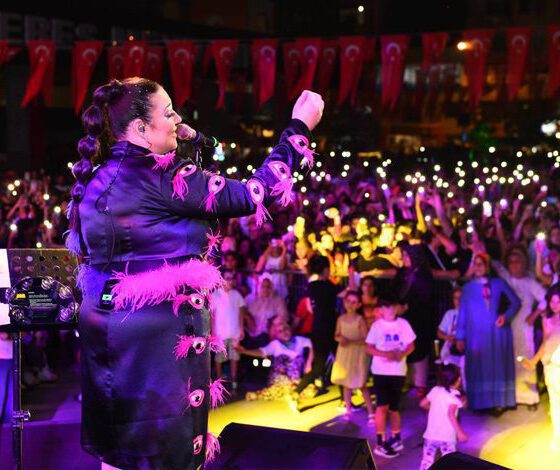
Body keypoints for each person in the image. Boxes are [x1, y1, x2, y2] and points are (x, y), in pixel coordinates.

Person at [68, 77, 324, 470]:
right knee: (165, 451)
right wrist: (298, 128)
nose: (178, 119)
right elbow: (255, 193)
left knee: (123, 450)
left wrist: (185, 146)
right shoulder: (162, 177)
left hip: (111, 334)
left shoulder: (99, 177)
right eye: (169, 113)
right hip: (158, 345)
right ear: (140, 128)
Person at [455, 253, 521, 414]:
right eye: (475, 264)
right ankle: (480, 403)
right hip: (475, 334)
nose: (478, 267)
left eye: (481, 264)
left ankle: (499, 402)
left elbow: (515, 302)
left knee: (496, 366)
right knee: (478, 367)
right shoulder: (468, 288)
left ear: (487, 266)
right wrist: (459, 336)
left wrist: (505, 317)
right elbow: (463, 312)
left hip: (496, 332)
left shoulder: (499, 283)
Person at [492, 247, 546, 408]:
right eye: (511, 261)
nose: (514, 264)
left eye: (517, 261)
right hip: (506, 325)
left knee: (524, 358)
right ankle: (510, 398)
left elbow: (546, 298)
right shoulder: (506, 279)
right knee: (507, 360)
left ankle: (529, 397)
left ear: (523, 263)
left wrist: (535, 314)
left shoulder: (529, 282)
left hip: (523, 326)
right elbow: (495, 265)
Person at [366, 294, 416, 459]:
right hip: (381, 371)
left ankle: (395, 437)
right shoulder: (377, 326)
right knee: (382, 406)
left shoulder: (403, 324)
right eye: (387, 307)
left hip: (398, 371)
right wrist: (386, 354)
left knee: (394, 407)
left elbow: (411, 345)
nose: (391, 310)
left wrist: (401, 354)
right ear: (380, 309)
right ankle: (380, 442)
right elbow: (369, 347)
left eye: (393, 306)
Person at [294, 254, 341, 397]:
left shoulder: (312, 286)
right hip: (330, 329)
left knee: (318, 367)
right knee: (341, 363)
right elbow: (346, 293)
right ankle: (344, 400)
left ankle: (296, 392)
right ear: (325, 269)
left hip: (317, 328)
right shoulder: (328, 286)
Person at [521, 283, 560, 451]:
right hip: (550, 365)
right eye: (552, 301)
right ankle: (558, 437)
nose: (554, 305)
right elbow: (545, 342)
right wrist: (533, 361)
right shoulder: (547, 319)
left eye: (558, 301)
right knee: (555, 403)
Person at [237, 322, 313, 401]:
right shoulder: (275, 345)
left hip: (296, 380)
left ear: (290, 329)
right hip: (280, 380)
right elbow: (262, 352)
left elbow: (312, 344)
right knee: (282, 391)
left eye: (286, 329)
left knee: (309, 391)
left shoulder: (299, 340)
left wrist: (309, 362)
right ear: (277, 335)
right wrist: (244, 351)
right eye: (280, 331)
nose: (284, 332)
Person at [331, 290, 375, 423]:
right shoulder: (341, 318)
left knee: (361, 383)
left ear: (359, 304)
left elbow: (366, 338)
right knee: (347, 383)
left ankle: (371, 413)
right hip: (345, 352)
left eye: (354, 302)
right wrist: (340, 339)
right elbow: (336, 335)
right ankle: (348, 410)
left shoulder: (360, 319)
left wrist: (350, 341)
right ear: (344, 302)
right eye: (348, 301)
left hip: (358, 353)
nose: (350, 305)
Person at [419, 365, 468, 470]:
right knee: (449, 463)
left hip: (430, 435)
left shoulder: (435, 390)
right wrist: (460, 433)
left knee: (427, 462)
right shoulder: (454, 396)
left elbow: (422, 404)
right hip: (447, 437)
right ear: (459, 379)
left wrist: (435, 409)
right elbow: (451, 414)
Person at [210, 270, 248, 390]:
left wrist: (241, 329)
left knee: (234, 357)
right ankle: (219, 381)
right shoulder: (215, 295)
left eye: (231, 278)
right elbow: (212, 315)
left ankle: (234, 381)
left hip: (234, 332)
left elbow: (241, 313)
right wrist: (212, 332)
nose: (230, 281)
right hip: (220, 333)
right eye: (227, 278)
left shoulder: (236, 295)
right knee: (219, 358)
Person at [245, 276, 289, 347]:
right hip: (252, 332)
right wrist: (248, 318)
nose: (265, 289)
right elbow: (245, 313)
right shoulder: (253, 300)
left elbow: (284, 316)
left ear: (272, 288)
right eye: (263, 286)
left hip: (269, 334)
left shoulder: (278, 301)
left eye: (268, 287)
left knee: (262, 339)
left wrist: (273, 325)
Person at [437, 288, 466, 388]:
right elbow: (439, 333)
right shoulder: (449, 314)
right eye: (455, 298)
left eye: (460, 298)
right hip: (450, 349)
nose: (458, 301)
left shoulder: (471, 313)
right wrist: (448, 337)